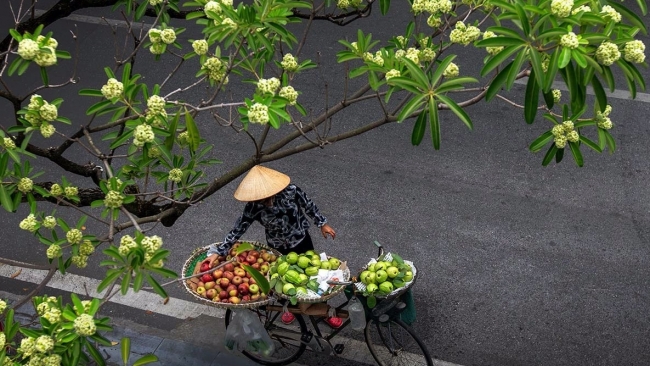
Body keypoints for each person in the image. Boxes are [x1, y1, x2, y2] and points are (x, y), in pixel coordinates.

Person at [205, 165, 341, 327]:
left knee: (313, 276)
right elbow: (238, 228)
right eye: (261, 198)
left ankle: (324, 310)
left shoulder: (291, 191)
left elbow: (308, 205)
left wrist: (322, 224)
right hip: (278, 247)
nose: (266, 200)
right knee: (285, 280)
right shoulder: (253, 207)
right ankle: (291, 308)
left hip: (301, 242)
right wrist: (220, 251)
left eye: (268, 196)